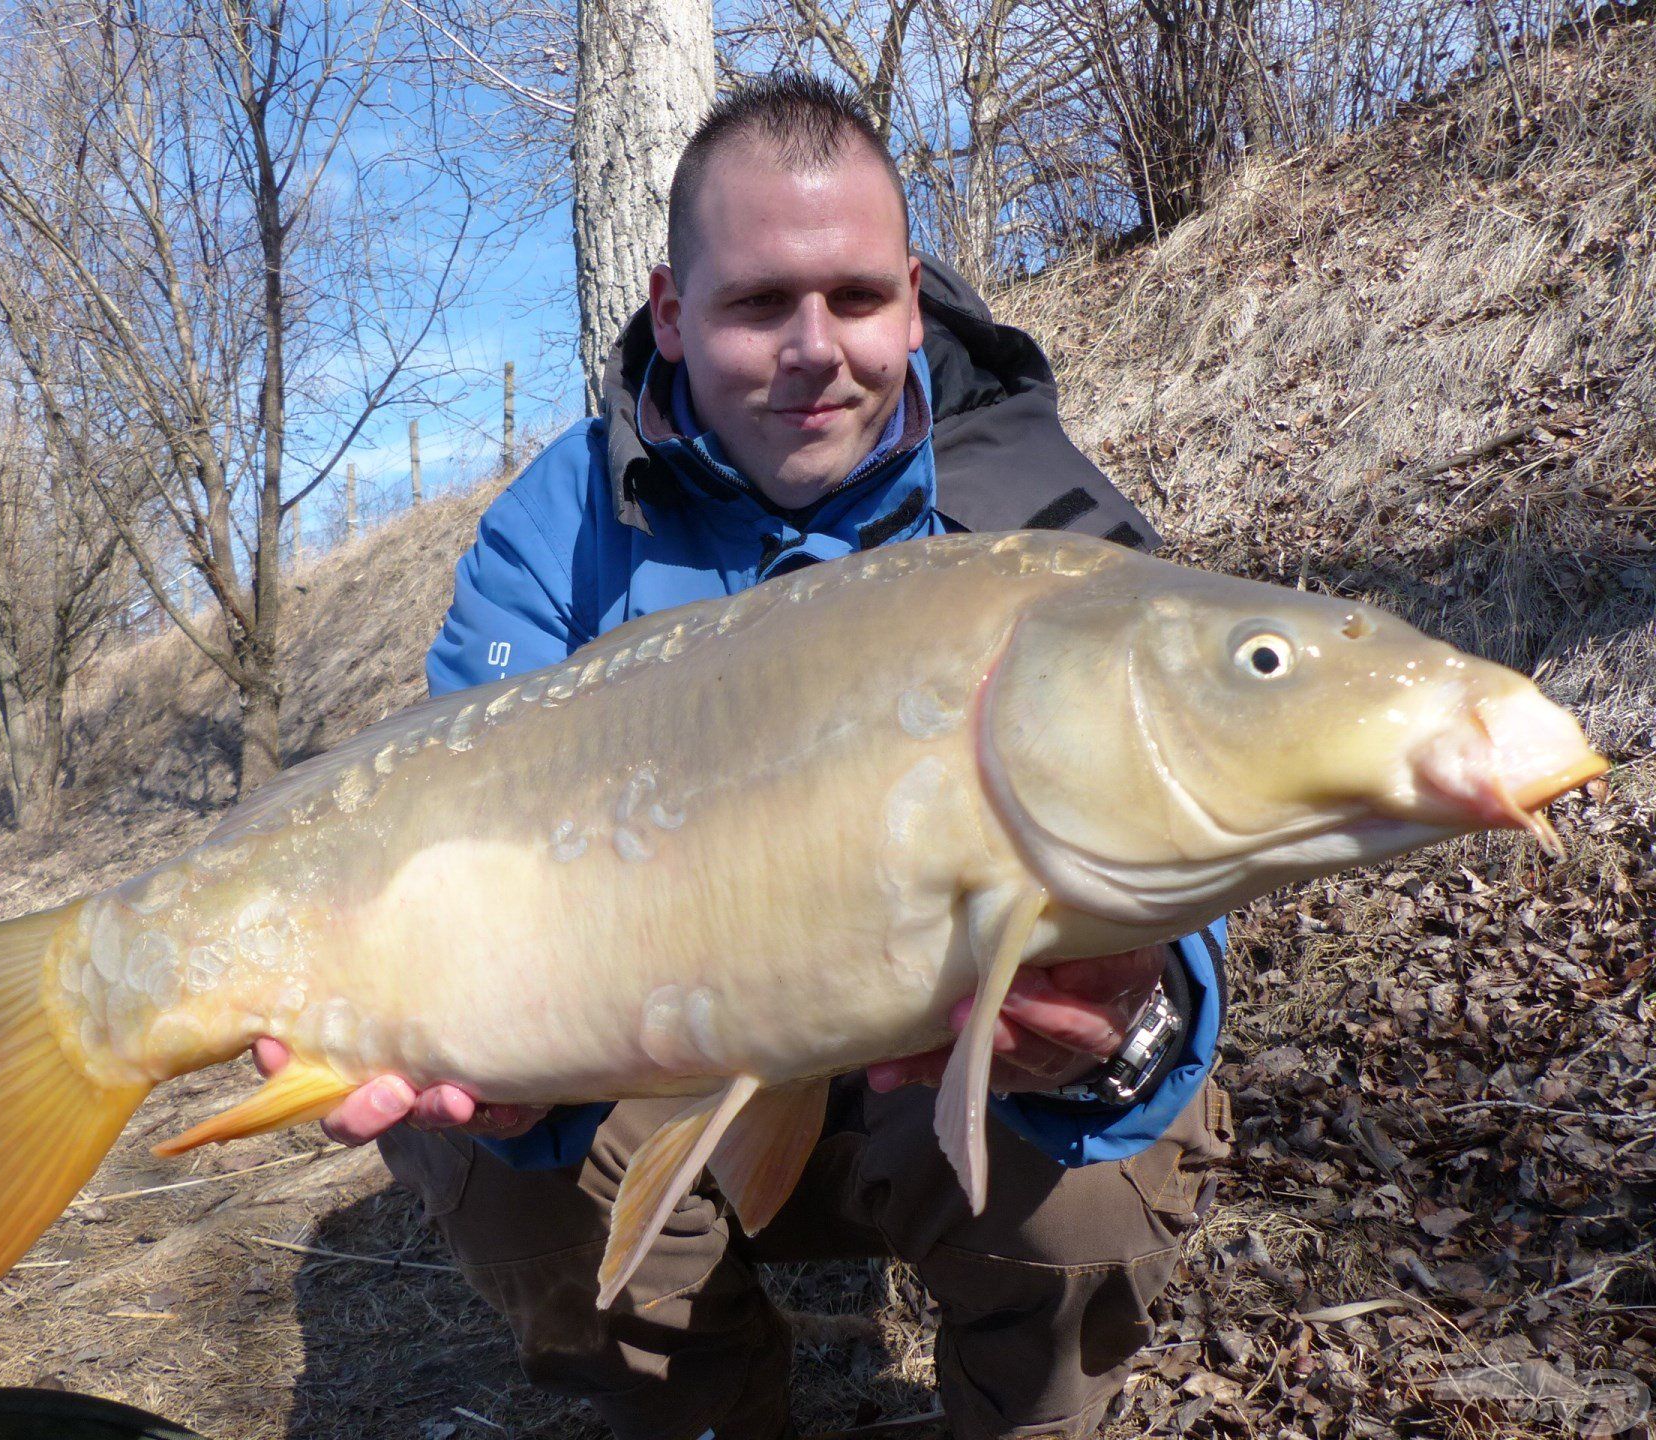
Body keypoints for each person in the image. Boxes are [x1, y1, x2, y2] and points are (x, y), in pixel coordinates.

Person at [255, 74, 1233, 1440]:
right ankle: (705, 1408)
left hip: (936, 1076)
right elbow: (455, 858)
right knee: (466, 1143)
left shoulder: (1033, 517)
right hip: (653, 1066)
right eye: (758, 304)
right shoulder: (556, 531)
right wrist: (491, 1084)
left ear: (912, 293)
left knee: (1097, 1175)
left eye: (856, 297)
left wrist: (1122, 1036)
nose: (816, 349)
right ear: (672, 311)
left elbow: (1182, 882)